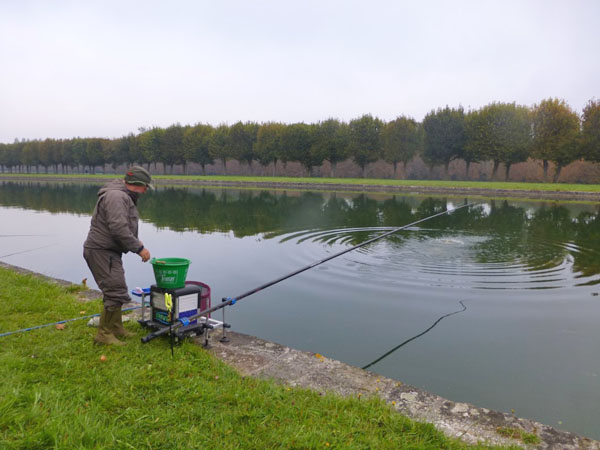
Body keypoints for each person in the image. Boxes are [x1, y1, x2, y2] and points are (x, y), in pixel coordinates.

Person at [83, 166, 153, 345]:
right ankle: (103, 335)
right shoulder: (117, 197)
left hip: (108, 251)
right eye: (145, 186)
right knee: (114, 290)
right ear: (136, 184)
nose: (145, 191)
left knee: (117, 288)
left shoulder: (121, 195)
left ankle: (115, 327)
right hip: (101, 251)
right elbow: (118, 228)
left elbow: (122, 226)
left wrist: (136, 241)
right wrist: (139, 248)